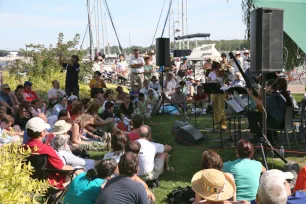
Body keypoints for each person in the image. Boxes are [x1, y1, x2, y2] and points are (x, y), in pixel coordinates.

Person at [24, 117, 74, 188]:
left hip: (28, 181)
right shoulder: (46, 149)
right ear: (42, 133)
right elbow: (61, 167)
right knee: (73, 175)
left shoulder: (22, 148)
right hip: (47, 183)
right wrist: (73, 169)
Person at [247, 79, 287, 144]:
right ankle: (265, 137)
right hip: (280, 121)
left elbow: (261, 102)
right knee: (256, 115)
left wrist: (250, 94)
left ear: (270, 86)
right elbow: (268, 103)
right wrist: (262, 94)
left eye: (266, 85)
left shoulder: (274, 96)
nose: (265, 87)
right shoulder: (277, 95)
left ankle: (259, 136)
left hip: (277, 123)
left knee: (252, 114)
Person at [208, 61, 227, 130]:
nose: (217, 69)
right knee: (215, 108)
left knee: (221, 108)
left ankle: (223, 124)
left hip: (221, 92)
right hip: (214, 92)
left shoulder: (222, 73)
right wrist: (213, 81)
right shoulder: (211, 73)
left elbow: (225, 80)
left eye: (218, 67)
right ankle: (216, 123)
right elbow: (208, 82)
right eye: (216, 67)